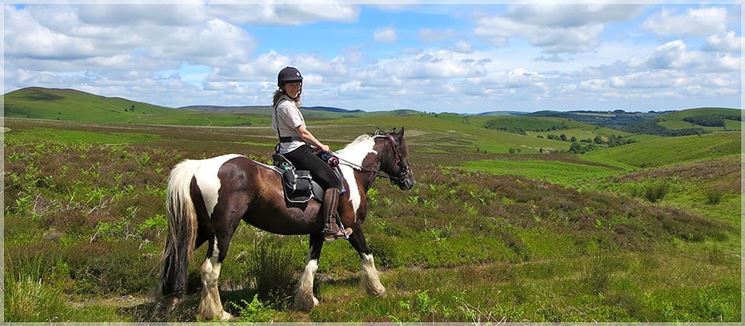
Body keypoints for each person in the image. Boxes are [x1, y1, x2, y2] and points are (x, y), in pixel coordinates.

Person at [271, 66, 350, 241]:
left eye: (298, 84)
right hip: (295, 149)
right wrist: (321, 146)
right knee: (333, 181)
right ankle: (330, 226)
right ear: (283, 87)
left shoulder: (281, 104)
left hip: (289, 148)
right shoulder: (287, 106)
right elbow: (303, 133)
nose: (296, 88)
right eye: (291, 85)